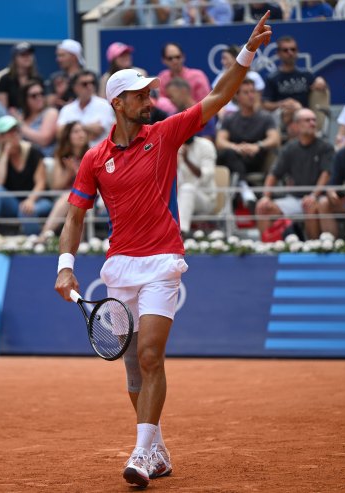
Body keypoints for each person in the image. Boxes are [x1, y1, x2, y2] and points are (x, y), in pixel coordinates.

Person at [54, 14, 272, 488]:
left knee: (151, 356)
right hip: (119, 267)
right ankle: (157, 449)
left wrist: (247, 52)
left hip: (162, 262)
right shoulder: (95, 158)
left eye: (150, 93)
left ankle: (139, 452)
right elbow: (74, 216)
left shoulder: (165, 134)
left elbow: (218, 97)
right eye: (140, 95)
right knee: (134, 369)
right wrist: (66, 266)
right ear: (118, 103)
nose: (149, 100)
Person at [255, 108, 334, 240]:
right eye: (307, 120)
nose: (312, 123)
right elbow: (274, 174)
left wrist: (313, 195)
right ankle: (267, 250)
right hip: (293, 199)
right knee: (263, 207)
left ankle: (313, 248)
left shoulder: (326, 147)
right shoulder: (289, 148)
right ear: (296, 125)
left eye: (314, 120)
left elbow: (326, 174)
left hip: (318, 198)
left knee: (309, 205)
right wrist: (265, 197)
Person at [0, 115, 52, 236]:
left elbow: (41, 183)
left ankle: (33, 242)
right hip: (14, 204)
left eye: (15, 130)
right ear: (0, 137)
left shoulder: (33, 151)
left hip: (39, 200)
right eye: (8, 132)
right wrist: (5, 154)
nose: (14, 134)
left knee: (25, 210)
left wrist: (30, 200)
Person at [215, 78, 280, 208]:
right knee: (227, 153)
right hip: (234, 157)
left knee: (230, 156)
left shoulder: (266, 117)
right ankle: (243, 186)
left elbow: (275, 139)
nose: (251, 95)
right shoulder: (230, 118)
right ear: (237, 96)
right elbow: (220, 141)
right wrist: (236, 147)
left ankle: (242, 187)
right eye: (246, 92)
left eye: (253, 92)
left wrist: (258, 146)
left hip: (254, 158)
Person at [262, 35, 329, 139]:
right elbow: (265, 104)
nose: (290, 53)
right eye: (285, 50)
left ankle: (310, 131)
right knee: (290, 111)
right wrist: (282, 104)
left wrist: (322, 82)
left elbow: (320, 87)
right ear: (278, 54)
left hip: (306, 114)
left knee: (305, 109)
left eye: (293, 49)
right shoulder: (272, 78)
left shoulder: (306, 74)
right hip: (285, 118)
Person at [39, 121, 90, 239]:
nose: (81, 134)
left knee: (74, 198)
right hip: (65, 199)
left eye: (83, 131)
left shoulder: (92, 154)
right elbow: (56, 186)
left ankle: (43, 236)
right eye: (76, 131)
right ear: (68, 136)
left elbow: (93, 185)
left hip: (89, 197)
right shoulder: (61, 155)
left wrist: (77, 172)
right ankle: (47, 236)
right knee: (70, 198)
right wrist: (68, 172)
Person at [57, 70, 116, 148]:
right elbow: (59, 133)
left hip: (99, 153)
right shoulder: (66, 109)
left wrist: (72, 130)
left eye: (92, 83)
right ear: (75, 87)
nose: (89, 86)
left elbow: (98, 130)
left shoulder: (105, 105)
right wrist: (88, 129)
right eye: (84, 84)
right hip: (73, 154)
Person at [177, 134, 217, 237]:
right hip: (180, 199)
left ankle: (181, 234)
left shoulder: (206, 145)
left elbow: (205, 176)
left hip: (205, 199)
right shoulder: (176, 146)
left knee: (187, 188)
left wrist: (186, 160)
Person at [0, 42, 42, 118]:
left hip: (34, 119)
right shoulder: (5, 80)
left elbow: (42, 105)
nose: (27, 57)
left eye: (29, 54)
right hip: (11, 120)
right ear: (15, 58)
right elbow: (2, 109)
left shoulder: (38, 79)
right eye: (23, 55)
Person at [18, 80, 59, 157]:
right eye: (34, 95)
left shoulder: (50, 112)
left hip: (46, 159)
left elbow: (44, 140)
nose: (39, 97)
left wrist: (21, 127)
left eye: (41, 94)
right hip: (24, 159)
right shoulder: (21, 116)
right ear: (25, 99)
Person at [45, 39, 86, 110]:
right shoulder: (55, 78)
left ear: (74, 57)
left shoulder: (88, 77)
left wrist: (72, 107)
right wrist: (59, 93)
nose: (58, 59)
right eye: (58, 56)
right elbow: (47, 105)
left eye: (62, 56)